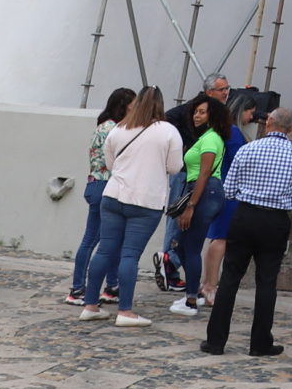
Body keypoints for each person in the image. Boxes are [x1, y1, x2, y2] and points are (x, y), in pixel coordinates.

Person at [201, 106, 292, 358]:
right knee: (267, 282)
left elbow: (229, 189)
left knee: (230, 278)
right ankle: (260, 343)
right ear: (291, 128)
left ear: (269, 122)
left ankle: (216, 341)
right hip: (275, 221)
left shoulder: (248, 149)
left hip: (245, 215)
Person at [80, 87, 182, 325]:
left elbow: (110, 162)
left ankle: (90, 305)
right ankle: (125, 311)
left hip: (114, 194)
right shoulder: (168, 131)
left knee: (104, 250)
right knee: (130, 255)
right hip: (146, 200)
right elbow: (175, 166)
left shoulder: (119, 128)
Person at [64, 88, 134, 305]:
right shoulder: (115, 129)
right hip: (105, 185)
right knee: (93, 240)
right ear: (124, 106)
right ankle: (78, 289)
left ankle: (111, 285)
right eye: (133, 105)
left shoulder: (104, 126)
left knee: (110, 240)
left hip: (96, 184)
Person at [167, 95, 228, 316]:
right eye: (195, 112)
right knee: (181, 244)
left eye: (202, 112)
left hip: (204, 192)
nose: (196, 116)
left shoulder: (212, 139)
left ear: (213, 116)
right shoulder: (206, 138)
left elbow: (204, 172)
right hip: (201, 191)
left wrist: (191, 205)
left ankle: (191, 299)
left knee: (191, 245)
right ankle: (194, 293)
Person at [198, 100, 256, 309]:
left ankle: (207, 282)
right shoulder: (233, 132)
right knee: (221, 238)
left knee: (217, 237)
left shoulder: (217, 132)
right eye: (251, 112)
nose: (252, 118)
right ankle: (210, 285)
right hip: (229, 190)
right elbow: (239, 160)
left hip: (217, 187)